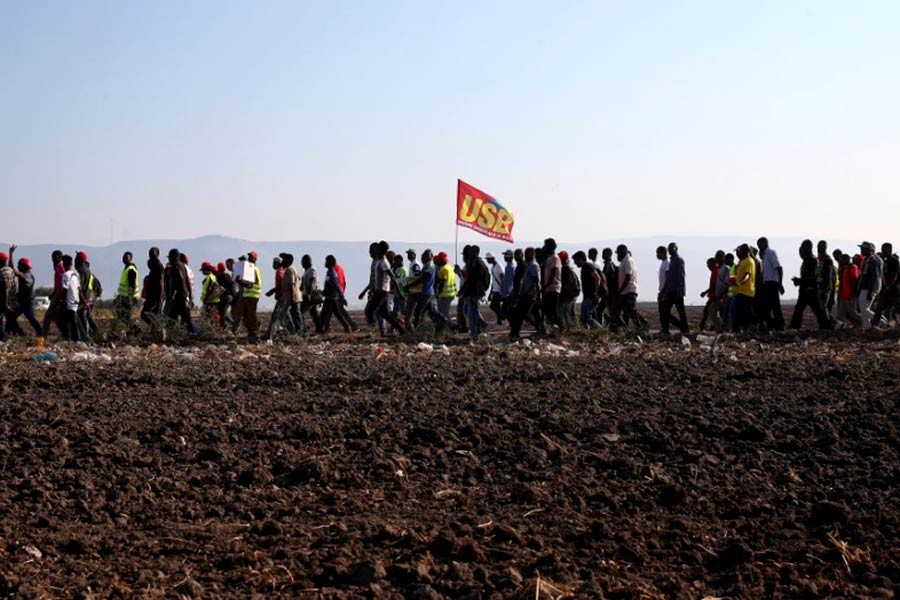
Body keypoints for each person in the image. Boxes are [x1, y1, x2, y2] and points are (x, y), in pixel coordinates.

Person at [789, 240, 832, 330]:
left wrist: (799, 281)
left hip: (811, 290)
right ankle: (794, 326)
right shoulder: (807, 260)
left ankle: (828, 326)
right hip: (805, 289)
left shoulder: (812, 260)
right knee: (799, 309)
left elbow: (813, 277)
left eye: (803, 248)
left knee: (818, 310)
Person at [3, 248, 41, 338]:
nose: (18, 266)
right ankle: (15, 334)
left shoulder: (25, 276)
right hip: (24, 302)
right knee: (13, 318)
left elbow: (12, 268)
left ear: (23, 266)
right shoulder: (29, 275)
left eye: (19, 265)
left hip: (24, 303)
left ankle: (39, 334)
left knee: (29, 319)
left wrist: (11, 253)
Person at [509, 247, 544, 340]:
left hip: (531, 295)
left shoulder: (533, 266)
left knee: (521, 314)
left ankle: (515, 334)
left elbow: (537, 281)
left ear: (532, 254)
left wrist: (539, 296)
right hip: (527, 294)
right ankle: (515, 333)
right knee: (522, 314)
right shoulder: (528, 265)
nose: (525, 255)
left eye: (527, 254)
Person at [610, 244, 645, 331]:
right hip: (624, 291)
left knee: (630, 311)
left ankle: (641, 326)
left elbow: (628, 277)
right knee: (616, 311)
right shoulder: (624, 262)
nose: (617, 255)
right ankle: (624, 329)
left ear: (623, 252)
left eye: (618, 253)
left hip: (629, 290)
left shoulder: (628, 261)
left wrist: (620, 290)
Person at [460, 245, 490, 341]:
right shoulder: (474, 263)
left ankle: (474, 334)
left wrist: (471, 293)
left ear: (476, 252)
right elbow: (469, 279)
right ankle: (483, 325)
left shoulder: (477, 264)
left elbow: (474, 280)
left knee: (471, 313)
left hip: (475, 292)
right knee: (467, 310)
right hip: (472, 292)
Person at [320, 255, 356, 333]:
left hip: (331, 297)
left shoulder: (332, 273)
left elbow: (336, 285)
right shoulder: (330, 272)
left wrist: (342, 296)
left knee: (324, 314)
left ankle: (321, 330)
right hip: (331, 297)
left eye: (326, 261)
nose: (325, 263)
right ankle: (347, 328)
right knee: (337, 314)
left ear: (329, 263)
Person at [659, 242, 688, 336]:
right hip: (671, 290)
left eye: (673, 248)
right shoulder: (671, 261)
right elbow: (670, 278)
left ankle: (685, 329)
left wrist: (681, 290)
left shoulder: (679, 260)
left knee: (681, 311)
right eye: (670, 248)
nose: (671, 250)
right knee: (665, 311)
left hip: (677, 290)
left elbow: (681, 276)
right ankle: (681, 326)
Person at [164, 248, 196, 334]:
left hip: (179, 296)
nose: (169, 259)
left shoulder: (176, 267)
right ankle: (171, 334)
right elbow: (187, 281)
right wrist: (190, 295)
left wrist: (175, 293)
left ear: (175, 257)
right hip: (181, 295)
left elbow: (181, 280)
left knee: (184, 317)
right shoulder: (183, 265)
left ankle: (193, 332)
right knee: (173, 316)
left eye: (170, 257)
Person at [757, 237, 785, 331]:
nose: (759, 247)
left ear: (765, 243)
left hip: (772, 284)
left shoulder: (770, 253)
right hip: (766, 284)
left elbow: (779, 268)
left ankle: (779, 325)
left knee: (774, 307)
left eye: (760, 244)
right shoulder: (765, 256)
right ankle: (773, 325)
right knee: (766, 307)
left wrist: (780, 284)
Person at [729, 244, 757, 332]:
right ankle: (741, 329)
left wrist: (740, 283)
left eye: (740, 251)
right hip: (741, 291)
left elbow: (747, 275)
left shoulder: (748, 261)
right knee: (741, 313)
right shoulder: (743, 261)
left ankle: (739, 330)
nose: (738, 253)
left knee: (741, 313)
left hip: (745, 291)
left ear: (746, 251)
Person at [872, 242, 900, 327]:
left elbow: (894, 276)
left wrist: (888, 286)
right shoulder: (883, 261)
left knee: (898, 309)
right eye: (882, 249)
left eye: (884, 250)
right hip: (884, 291)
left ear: (890, 250)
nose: (883, 251)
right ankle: (874, 327)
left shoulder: (895, 262)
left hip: (893, 291)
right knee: (878, 310)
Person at [857, 241, 883, 329]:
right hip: (867, 287)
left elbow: (874, 276)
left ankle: (883, 323)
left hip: (869, 288)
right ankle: (867, 327)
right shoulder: (868, 259)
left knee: (864, 309)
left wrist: (871, 291)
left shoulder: (873, 260)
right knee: (863, 309)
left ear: (870, 250)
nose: (861, 250)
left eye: (863, 249)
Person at [573, 251, 602, 329]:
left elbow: (597, 278)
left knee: (587, 318)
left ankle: (602, 331)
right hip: (587, 296)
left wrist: (596, 293)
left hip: (590, 296)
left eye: (576, 260)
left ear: (581, 259)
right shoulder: (585, 268)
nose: (575, 263)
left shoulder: (587, 267)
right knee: (583, 318)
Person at [41, 250, 66, 340]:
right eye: (52, 257)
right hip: (57, 296)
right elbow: (58, 284)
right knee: (56, 317)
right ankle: (65, 334)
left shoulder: (61, 269)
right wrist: (53, 293)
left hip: (60, 297)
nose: (52, 259)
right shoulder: (57, 268)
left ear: (60, 257)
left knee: (48, 317)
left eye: (54, 257)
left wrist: (61, 297)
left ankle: (43, 338)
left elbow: (64, 285)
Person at [60, 254, 85, 342]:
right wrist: (84, 301)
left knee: (71, 322)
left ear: (64, 264)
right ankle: (71, 339)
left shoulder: (66, 275)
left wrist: (63, 301)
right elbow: (79, 290)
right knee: (70, 321)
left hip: (69, 302)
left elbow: (65, 289)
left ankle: (76, 339)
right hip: (75, 301)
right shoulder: (75, 275)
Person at [114, 251, 140, 334]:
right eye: (123, 257)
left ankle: (136, 330)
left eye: (126, 257)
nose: (124, 259)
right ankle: (133, 330)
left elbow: (132, 285)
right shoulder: (127, 268)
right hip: (123, 296)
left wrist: (130, 298)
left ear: (131, 259)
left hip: (128, 297)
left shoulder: (131, 270)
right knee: (122, 314)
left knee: (126, 316)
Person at [141, 247, 165, 332]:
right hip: (151, 295)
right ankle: (156, 333)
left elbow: (161, 282)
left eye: (153, 253)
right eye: (150, 253)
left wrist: (160, 297)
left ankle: (157, 327)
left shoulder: (159, 266)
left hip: (156, 296)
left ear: (157, 254)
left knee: (144, 314)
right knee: (154, 315)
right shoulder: (153, 265)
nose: (151, 255)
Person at [541, 238, 563, 333]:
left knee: (553, 310)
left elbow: (553, 273)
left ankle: (560, 329)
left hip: (553, 287)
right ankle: (554, 329)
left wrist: (546, 285)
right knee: (548, 310)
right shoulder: (549, 258)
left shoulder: (554, 258)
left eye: (546, 246)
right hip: (549, 288)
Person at [834, 253, 861, 327]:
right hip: (844, 295)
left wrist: (851, 294)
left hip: (850, 295)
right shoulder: (844, 269)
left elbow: (854, 281)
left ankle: (865, 322)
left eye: (841, 260)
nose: (840, 261)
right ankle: (842, 327)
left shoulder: (853, 267)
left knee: (853, 313)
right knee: (840, 314)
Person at [299, 254, 323, 333]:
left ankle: (303, 329)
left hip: (310, 296)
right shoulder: (306, 271)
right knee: (314, 313)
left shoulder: (312, 270)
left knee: (300, 312)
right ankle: (320, 329)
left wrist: (309, 294)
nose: (301, 263)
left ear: (307, 261)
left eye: (303, 262)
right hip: (306, 294)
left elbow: (313, 282)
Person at [434, 251, 458, 325]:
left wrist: (438, 293)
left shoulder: (443, 269)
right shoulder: (450, 268)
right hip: (451, 294)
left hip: (444, 295)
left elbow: (442, 282)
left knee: (443, 314)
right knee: (445, 313)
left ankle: (450, 327)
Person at [558, 251, 580, 329]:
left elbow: (563, 284)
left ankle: (565, 329)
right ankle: (575, 329)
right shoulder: (570, 269)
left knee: (562, 313)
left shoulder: (563, 270)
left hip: (565, 296)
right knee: (571, 314)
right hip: (572, 295)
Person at [816, 240, 836, 325]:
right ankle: (829, 323)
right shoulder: (819, 259)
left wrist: (824, 289)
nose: (820, 248)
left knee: (823, 306)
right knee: (821, 307)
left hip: (825, 287)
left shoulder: (827, 259)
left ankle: (828, 324)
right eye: (819, 246)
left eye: (822, 247)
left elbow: (828, 276)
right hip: (820, 285)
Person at [0, 249, 17, 340]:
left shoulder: (3, 272)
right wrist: (11, 253)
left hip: (5, 299)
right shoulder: (9, 269)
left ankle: (3, 336)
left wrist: (5, 303)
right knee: (8, 319)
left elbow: (5, 288)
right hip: (11, 298)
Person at [599, 248, 618, 326]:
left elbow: (605, 278)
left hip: (609, 293)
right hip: (609, 292)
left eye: (604, 253)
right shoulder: (610, 264)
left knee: (608, 310)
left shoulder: (608, 265)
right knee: (600, 309)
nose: (603, 255)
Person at [698, 257, 718, 332]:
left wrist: (706, 292)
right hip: (712, 295)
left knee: (708, 311)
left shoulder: (716, 271)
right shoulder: (714, 271)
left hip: (715, 296)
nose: (708, 266)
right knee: (707, 311)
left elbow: (715, 284)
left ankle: (702, 326)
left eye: (708, 264)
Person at [485, 252, 505, 325]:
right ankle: (499, 322)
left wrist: (502, 291)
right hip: (495, 290)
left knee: (493, 306)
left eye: (488, 259)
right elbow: (493, 282)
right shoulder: (493, 267)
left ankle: (503, 317)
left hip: (499, 291)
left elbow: (503, 278)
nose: (487, 261)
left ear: (492, 258)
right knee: (496, 307)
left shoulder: (499, 266)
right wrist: (491, 293)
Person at [215, 262, 236, 328]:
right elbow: (232, 285)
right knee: (223, 313)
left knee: (222, 314)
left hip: (224, 297)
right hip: (229, 297)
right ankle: (233, 324)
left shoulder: (218, 277)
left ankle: (224, 327)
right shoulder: (228, 275)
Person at [500, 249, 516, 321]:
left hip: (509, 294)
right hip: (508, 293)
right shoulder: (509, 266)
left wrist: (506, 293)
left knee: (507, 311)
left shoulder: (510, 267)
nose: (504, 257)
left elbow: (509, 282)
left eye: (506, 256)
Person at [392, 254, 408, 321]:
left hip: (399, 293)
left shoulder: (399, 270)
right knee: (396, 311)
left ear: (400, 261)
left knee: (403, 311)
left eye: (395, 261)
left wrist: (400, 293)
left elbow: (397, 281)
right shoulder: (405, 268)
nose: (394, 263)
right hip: (402, 292)